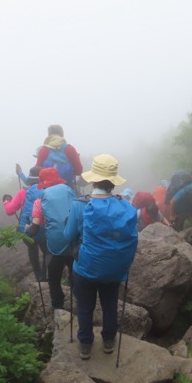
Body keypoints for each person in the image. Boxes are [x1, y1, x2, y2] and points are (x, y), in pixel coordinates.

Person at [63, 154, 138, 360]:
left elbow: (67, 236)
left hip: (85, 268)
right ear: (113, 182)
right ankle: (108, 342)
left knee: (85, 307)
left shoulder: (80, 205)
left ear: (93, 179)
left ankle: (85, 345)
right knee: (110, 305)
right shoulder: (125, 207)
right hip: (114, 268)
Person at [24, 167, 76, 310]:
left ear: (43, 183)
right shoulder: (69, 191)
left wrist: (27, 229)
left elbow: (34, 229)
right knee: (74, 274)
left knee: (54, 278)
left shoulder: (39, 201)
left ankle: (57, 304)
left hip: (54, 246)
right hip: (73, 242)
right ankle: (78, 299)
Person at [34, 124, 83, 190]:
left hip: (48, 190)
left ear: (49, 135)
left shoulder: (43, 150)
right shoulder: (70, 149)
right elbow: (79, 171)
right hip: (68, 189)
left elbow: (37, 172)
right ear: (62, 135)